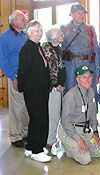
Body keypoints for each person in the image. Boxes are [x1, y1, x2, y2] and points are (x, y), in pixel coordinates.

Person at [17, 20, 51, 162]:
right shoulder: (27, 48)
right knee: (38, 118)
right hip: (33, 89)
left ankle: (32, 146)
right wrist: (23, 87)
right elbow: (23, 71)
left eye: (41, 30)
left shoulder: (38, 46)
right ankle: (37, 151)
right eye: (37, 31)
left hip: (42, 89)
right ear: (29, 33)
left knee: (40, 118)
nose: (40, 33)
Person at [59, 65, 100, 165]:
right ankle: (68, 146)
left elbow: (92, 115)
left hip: (85, 131)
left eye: (89, 76)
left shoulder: (91, 92)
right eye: (84, 77)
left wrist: (95, 132)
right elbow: (65, 121)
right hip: (70, 131)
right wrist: (78, 139)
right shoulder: (71, 95)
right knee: (85, 160)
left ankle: (78, 146)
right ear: (77, 80)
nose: (87, 80)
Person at [0, 10, 29, 148]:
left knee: (26, 107)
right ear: (13, 22)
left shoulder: (25, 36)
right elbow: (3, 61)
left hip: (28, 76)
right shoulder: (5, 38)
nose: (25, 21)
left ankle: (25, 134)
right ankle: (15, 136)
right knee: (17, 108)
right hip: (16, 77)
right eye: (22, 19)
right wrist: (13, 78)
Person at [61, 3, 99, 94]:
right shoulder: (64, 29)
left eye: (83, 13)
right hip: (71, 67)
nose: (81, 15)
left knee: (89, 93)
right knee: (71, 94)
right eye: (78, 13)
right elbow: (61, 51)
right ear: (71, 14)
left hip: (88, 65)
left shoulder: (90, 29)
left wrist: (97, 73)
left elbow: (96, 51)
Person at [42, 26, 66, 149]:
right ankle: (49, 141)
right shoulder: (47, 48)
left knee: (57, 113)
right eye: (60, 34)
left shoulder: (58, 48)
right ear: (53, 37)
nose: (63, 35)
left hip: (59, 87)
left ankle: (53, 138)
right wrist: (57, 84)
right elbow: (50, 70)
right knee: (53, 115)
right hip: (53, 88)